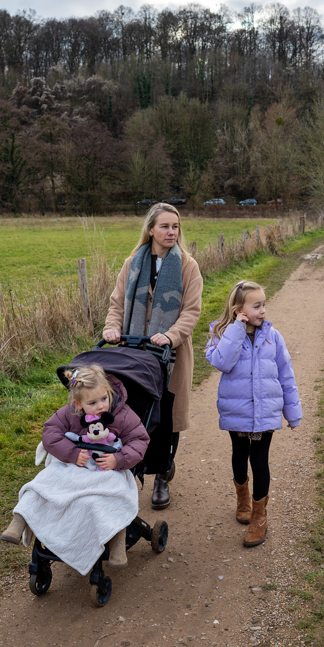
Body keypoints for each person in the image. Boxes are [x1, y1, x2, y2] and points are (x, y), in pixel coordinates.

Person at [103, 202, 203, 510]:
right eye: (165, 226)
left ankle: (161, 474)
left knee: (167, 416)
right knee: (136, 412)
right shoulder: (133, 262)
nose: (172, 232)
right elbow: (117, 303)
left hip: (171, 355)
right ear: (151, 230)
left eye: (175, 227)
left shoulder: (187, 265)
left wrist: (171, 336)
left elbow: (191, 311)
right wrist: (111, 328)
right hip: (134, 353)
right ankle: (132, 471)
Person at [0, 365, 149, 572]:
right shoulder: (69, 413)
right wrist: (71, 453)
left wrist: (118, 459)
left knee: (114, 495)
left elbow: (139, 439)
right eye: (93, 403)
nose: (101, 406)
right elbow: (51, 433)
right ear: (78, 404)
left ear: (109, 393)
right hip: (74, 465)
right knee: (43, 483)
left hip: (107, 468)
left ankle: (117, 541)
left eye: (104, 399)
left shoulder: (122, 414)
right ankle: (20, 520)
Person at [205, 280, 302, 548]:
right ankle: (242, 499)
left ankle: (260, 516)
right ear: (239, 309)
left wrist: (292, 413)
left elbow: (286, 375)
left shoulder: (274, 336)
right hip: (237, 411)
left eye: (264, 305)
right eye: (256, 306)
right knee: (239, 455)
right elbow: (222, 362)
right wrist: (237, 328)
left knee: (260, 462)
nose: (263, 311)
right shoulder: (220, 333)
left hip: (266, 412)